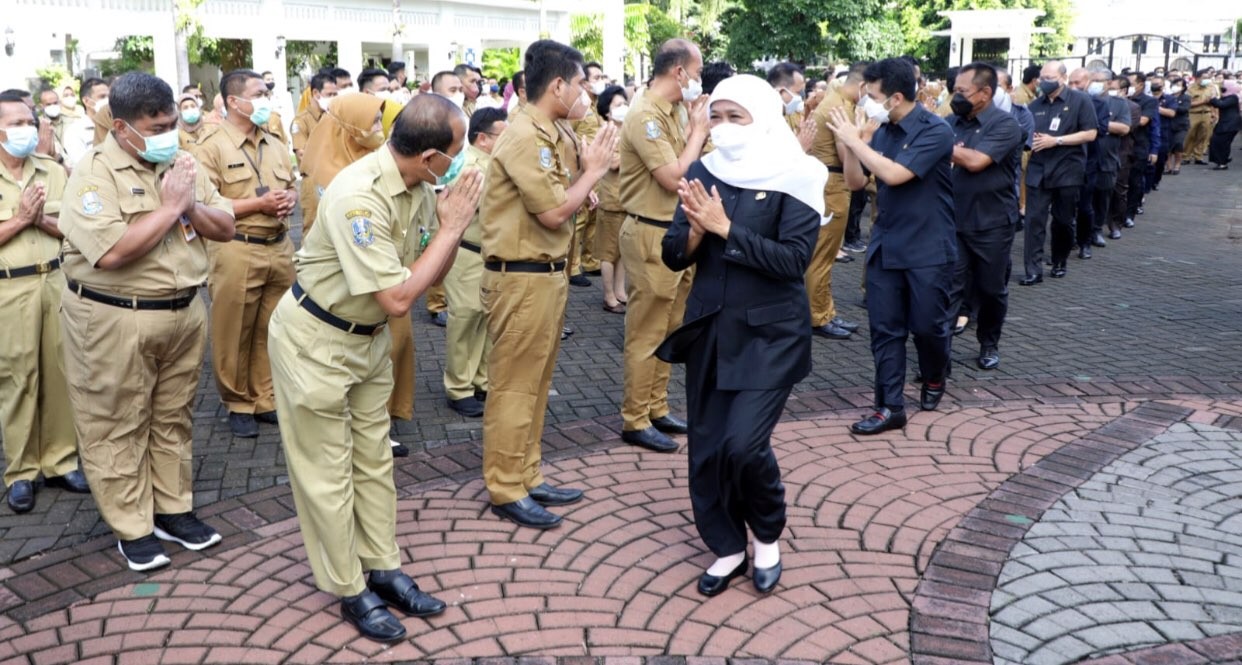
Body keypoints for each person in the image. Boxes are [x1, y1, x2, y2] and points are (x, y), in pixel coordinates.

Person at [267, 94, 481, 642]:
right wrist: (455, 227)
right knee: (328, 473)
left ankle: (383, 567)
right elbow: (399, 297)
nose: (462, 162)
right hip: (317, 340)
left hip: (366, 342)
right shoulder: (359, 196)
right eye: (457, 152)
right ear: (432, 155)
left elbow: (430, 270)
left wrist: (447, 226)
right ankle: (348, 586)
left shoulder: (419, 185)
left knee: (374, 461)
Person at [57, 72, 235, 570]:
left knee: (173, 416)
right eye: (156, 126)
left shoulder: (182, 163)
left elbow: (225, 226)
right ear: (121, 127)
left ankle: (172, 509)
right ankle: (132, 526)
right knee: (115, 423)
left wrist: (190, 203)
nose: (168, 134)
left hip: (182, 311)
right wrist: (172, 206)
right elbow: (111, 253)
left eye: (172, 123)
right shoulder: (93, 174)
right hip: (116, 317)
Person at [657, 74, 823, 597]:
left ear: (764, 117)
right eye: (717, 116)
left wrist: (727, 229)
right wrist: (696, 231)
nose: (723, 128)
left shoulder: (799, 173)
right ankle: (727, 546)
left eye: (737, 117)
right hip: (710, 328)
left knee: (744, 446)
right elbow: (671, 252)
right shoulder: (705, 167)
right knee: (706, 448)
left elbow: (793, 262)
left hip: (771, 333)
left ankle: (767, 535)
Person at [480, 39, 618, 529]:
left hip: (546, 275)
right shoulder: (524, 136)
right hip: (520, 280)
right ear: (557, 85)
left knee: (536, 385)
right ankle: (505, 485)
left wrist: (584, 181)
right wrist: (593, 174)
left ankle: (528, 474)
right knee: (514, 388)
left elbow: (563, 197)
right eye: (581, 83)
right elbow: (555, 209)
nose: (587, 92)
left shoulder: (553, 130)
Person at [824, 57, 955, 435]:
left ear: (896, 97)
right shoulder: (880, 130)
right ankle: (889, 406)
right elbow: (853, 182)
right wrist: (850, 146)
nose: (866, 101)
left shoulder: (936, 130)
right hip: (886, 245)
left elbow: (896, 175)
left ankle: (933, 376)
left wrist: (857, 142)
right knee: (885, 330)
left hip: (929, 247)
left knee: (929, 327)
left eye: (874, 95)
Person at [194, 69, 298, 439]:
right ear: (235, 102)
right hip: (236, 246)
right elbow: (203, 205)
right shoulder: (210, 145)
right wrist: (260, 204)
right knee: (233, 330)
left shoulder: (274, 141)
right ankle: (237, 402)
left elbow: (290, 186)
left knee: (272, 327)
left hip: (278, 245)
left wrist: (289, 200)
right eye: (259, 92)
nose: (266, 97)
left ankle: (265, 396)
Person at [617, 39, 708, 453]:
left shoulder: (670, 111)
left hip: (675, 230)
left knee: (672, 327)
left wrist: (694, 126)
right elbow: (673, 177)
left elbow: (694, 161)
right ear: (679, 72)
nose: (698, 80)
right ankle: (635, 418)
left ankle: (656, 406)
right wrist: (699, 131)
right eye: (697, 71)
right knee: (647, 331)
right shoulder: (645, 114)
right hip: (650, 231)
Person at [0, 90, 83, 514]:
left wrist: (41, 220)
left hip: (54, 279)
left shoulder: (51, 171)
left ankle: (61, 460)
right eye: (15, 123)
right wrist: (18, 220)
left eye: (29, 121)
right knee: (18, 378)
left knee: (60, 370)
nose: (25, 129)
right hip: (9, 290)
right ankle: (21, 471)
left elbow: (73, 225)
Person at [946, 64, 1023, 371]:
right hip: (953, 220)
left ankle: (988, 342)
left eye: (962, 91)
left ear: (985, 93)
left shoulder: (1005, 125)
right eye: (954, 90)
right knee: (949, 287)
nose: (956, 97)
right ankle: (938, 354)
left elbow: (976, 161)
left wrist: (942, 147)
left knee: (991, 289)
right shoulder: (951, 123)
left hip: (992, 223)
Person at [443, 107, 507, 418]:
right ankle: (458, 387)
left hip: (487, 254)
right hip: (467, 251)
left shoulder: (491, 164)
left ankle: (480, 379)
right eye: (501, 135)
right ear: (482, 139)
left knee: (484, 318)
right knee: (465, 320)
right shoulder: (470, 167)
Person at [1019, 61, 1096, 284]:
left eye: (1049, 77)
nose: (1044, 82)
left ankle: (1060, 260)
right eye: (1042, 78)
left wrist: (1057, 141)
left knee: (1063, 221)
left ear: (1062, 78)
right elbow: (1027, 135)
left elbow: (1090, 133)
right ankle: (1033, 270)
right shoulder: (1034, 106)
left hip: (1067, 170)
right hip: (1038, 170)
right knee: (1034, 221)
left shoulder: (1080, 101)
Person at [807, 64, 865, 341]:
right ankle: (817, 316)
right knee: (822, 255)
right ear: (863, 85)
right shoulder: (840, 107)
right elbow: (847, 154)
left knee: (825, 255)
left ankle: (825, 311)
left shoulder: (838, 101)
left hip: (831, 181)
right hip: (832, 183)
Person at [567, 61, 608, 287]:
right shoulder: (578, 108)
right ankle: (573, 267)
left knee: (593, 217)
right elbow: (571, 140)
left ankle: (590, 260)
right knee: (579, 220)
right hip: (583, 169)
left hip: (597, 169)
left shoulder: (594, 106)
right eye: (595, 78)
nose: (600, 82)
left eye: (602, 77)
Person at [1085, 70, 1131, 254]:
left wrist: (1098, 122)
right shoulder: (1082, 100)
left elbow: (1124, 127)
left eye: (1098, 81)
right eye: (1092, 80)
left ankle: (1096, 230)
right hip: (1084, 158)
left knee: (1103, 196)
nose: (1094, 84)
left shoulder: (1119, 104)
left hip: (1107, 159)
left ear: (1109, 83)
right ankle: (1079, 233)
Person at [595, 85, 630, 313]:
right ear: (607, 111)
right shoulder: (606, 132)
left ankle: (620, 291)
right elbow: (613, 163)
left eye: (624, 103)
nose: (623, 108)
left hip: (628, 198)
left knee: (622, 251)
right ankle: (608, 296)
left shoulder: (626, 130)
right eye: (617, 105)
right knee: (608, 252)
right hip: (611, 199)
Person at [291, 73, 338, 224]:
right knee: (313, 228)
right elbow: (303, 154)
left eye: (335, 94)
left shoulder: (334, 116)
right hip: (313, 182)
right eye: (329, 94)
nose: (333, 97)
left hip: (336, 178)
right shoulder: (301, 121)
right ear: (316, 94)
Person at [63, 77, 108, 166]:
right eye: (102, 97)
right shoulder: (74, 132)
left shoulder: (117, 125)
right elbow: (83, 165)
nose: (108, 100)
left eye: (109, 96)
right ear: (87, 101)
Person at [1185, 69, 1217, 165]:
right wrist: (1203, 102)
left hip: (1207, 113)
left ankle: (1198, 156)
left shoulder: (1211, 87)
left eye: (1208, 78)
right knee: (1190, 135)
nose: (1206, 80)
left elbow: (1214, 101)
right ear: (1197, 78)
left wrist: (1214, 113)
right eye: (1204, 78)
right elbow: (1188, 104)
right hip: (1194, 114)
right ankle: (1186, 156)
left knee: (1204, 136)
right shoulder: (1190, 89)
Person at [1207, 81, 1239, 169]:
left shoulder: (1233, 97)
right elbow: (1216, 103)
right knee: (1217, 141)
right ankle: (1221, 160)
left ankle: (1222, 163)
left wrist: (1213, 98)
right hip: (1225, 123)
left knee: (1222, 143)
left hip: (1230, 124)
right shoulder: (1227, 97)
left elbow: (1221, 104)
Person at [1164, 77, 1190, 175]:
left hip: (1181, 125)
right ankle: (1168, 166)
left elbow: (1184, 109)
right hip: (1168, 124)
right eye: (1175, 85)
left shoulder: (1186, 98)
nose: (1176, 87)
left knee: (1178, 144)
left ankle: (1177, 164)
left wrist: (1173, 107)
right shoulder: (1167, 96)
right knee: (1167, 146)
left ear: (1183, 87)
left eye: (1179, 85)